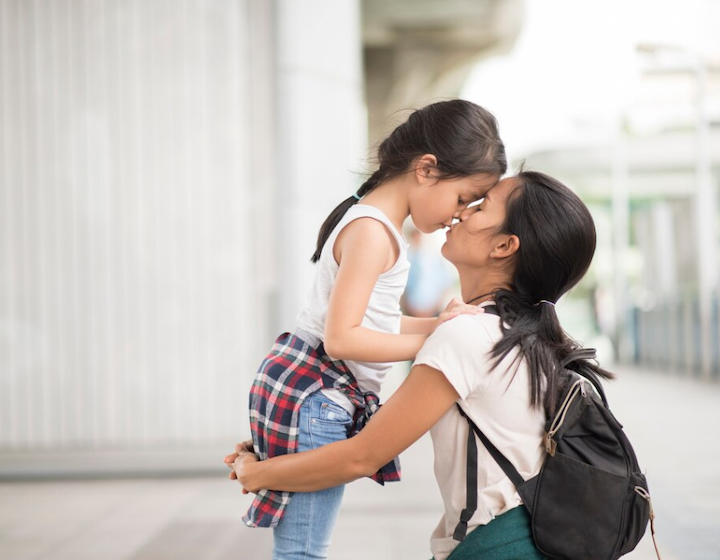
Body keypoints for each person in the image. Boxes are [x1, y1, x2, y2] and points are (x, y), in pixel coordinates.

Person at [227, 170, 611, 560]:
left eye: (480, 206)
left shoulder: (469, 338)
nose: (462, 213)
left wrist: (257, 473)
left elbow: (363, 454)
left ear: (504, 245)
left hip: (504, 547)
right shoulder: (515, 335)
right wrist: (282, 445)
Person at [242, 99, 507, 560]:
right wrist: (437, 343)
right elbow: (341, 339)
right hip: (317, 394)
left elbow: (372, 322)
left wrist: (440, 324)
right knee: (302, 551)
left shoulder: (377, 227)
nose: (459, 215)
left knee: (301, 549)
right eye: (463, 198)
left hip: (308, 385)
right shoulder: (373, 233)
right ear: (426, 169)